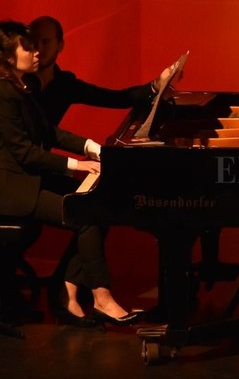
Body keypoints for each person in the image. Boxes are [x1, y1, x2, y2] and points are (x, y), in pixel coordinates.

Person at [0, 20, 142, 327]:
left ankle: (68, 292)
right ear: (9, 57)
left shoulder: (20, 87)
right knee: (86, 213)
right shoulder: (3, 92)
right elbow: (24, 152)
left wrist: (95, 150)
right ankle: (100, 298)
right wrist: (77, 165)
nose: (36, 52)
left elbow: (50, 133)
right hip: (11, 188)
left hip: (26, 179)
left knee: (98, 205)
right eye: (28, 48)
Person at [26, 15, 173, 127]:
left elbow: (115, 98)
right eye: (33, 42)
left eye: (45, 42)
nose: (38, 48)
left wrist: (155, 85)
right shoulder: (17, 79)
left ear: (60, 45)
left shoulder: (64, 84)